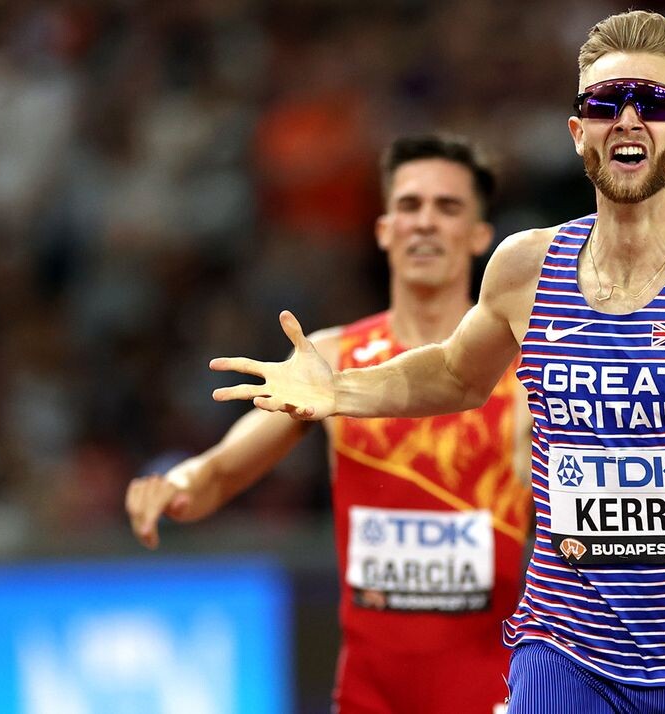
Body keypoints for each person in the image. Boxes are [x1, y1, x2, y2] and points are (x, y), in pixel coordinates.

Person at [205, 11, 665, 713]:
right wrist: (341, 389)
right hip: (564, 650)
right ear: (579, 133)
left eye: (656, 103)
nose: (629, 119)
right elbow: (455, 374)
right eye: (606, 103)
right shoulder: (525, 266)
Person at [123, 134, 530, 714]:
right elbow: (221, 470)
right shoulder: (330, 362)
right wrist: (177, 483)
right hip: (368, 698)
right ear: (384, 230)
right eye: (409, 205)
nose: (425, 222)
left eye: (448, 207)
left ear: (480, 236)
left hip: (495, 695)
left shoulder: (523, 373)